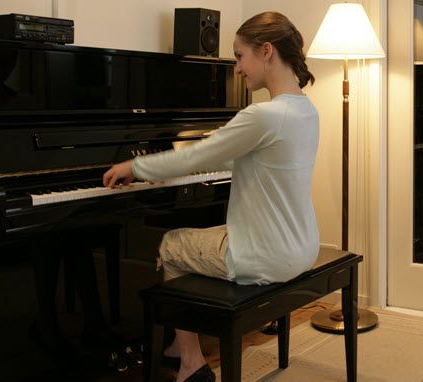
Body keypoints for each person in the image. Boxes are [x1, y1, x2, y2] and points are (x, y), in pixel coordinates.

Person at [103, 11, 319, 382]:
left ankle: (190, 361)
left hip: (267, 254)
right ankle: (175, 345)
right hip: (302, 246)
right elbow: (245, 156)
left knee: (171, 244)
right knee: (206, 234)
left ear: (266, 51)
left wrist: (134, 168)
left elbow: (195, 156)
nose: (237, 68)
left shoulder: (262, 115)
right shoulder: (306, 109)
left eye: (239, 56)